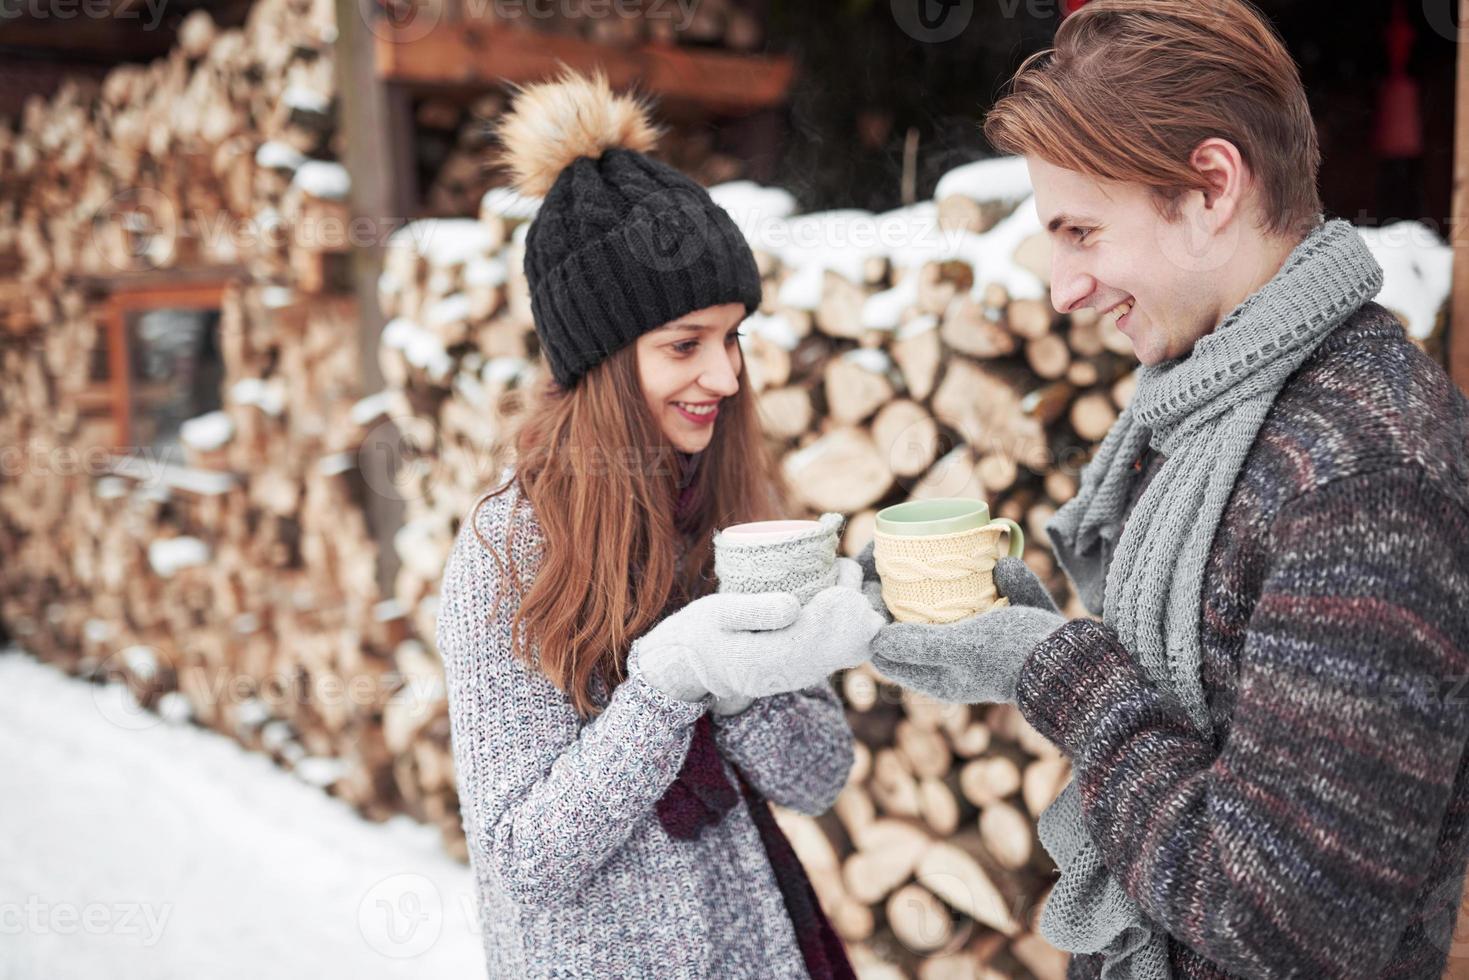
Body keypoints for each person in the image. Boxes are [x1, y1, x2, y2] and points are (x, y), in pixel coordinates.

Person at [858, 1, 1469, 976]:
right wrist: (1014, 633)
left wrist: (1055, 665)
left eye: (1080, 230)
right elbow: (1194, 723)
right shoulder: (1216, 406)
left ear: (1208, 188)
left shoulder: (1360, 475)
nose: (1060, 287)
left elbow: (1282, 924)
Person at [435, 68, 881, 980]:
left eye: (732, 339)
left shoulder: (721, 511)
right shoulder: (509, 555)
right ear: (601, 363)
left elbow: (818, 776)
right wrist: (669, 686)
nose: (722, 377)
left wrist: (755, 673)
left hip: (759, 945)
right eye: (684, 345)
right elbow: (525, 856)